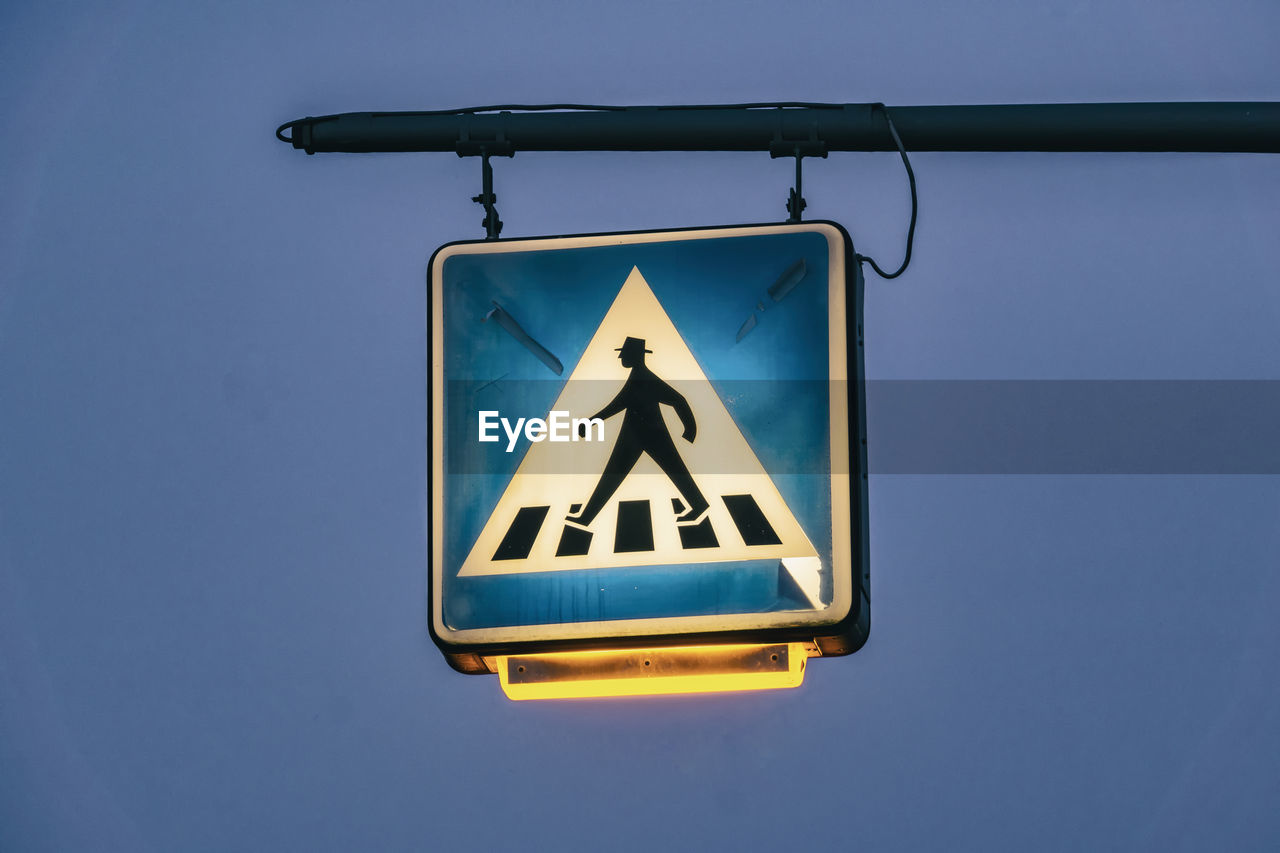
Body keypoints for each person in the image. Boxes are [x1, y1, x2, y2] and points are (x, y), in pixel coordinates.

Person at [566, 336, 709, 527]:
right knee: (616, 474)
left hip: (649, 435)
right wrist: (590, 422)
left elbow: (678, 399)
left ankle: (587, 517)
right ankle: (587, 517)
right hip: (637, 434)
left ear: (635, 355)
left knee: (668, 470)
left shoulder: (645, 378)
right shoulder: (637, 376)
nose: (621, 358)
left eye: (624, 354)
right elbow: (619, 404)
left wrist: (690, 430)